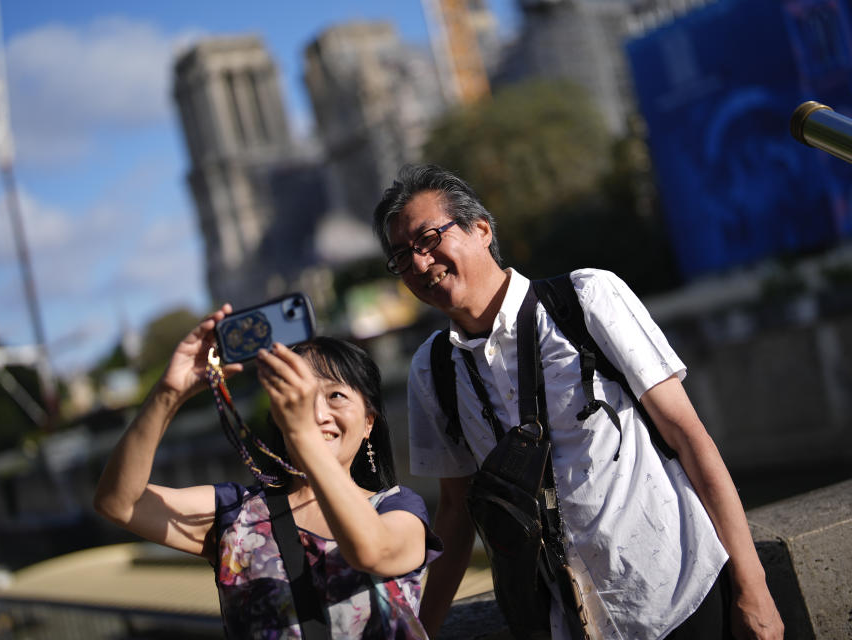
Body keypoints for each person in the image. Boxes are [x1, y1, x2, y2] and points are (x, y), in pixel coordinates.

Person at [372, 164, 784, 640]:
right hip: (573, 624)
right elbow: (455, 511)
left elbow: (688, 437)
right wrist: (418, 630)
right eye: (402, 256)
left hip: (681, 596)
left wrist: (753, 586)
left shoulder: (586, 298)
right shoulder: (433, 369)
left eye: (429, 239)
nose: (421, 264)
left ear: (481, 230)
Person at [94, 306, 441, 639]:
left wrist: (303, 435)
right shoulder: (236, 514)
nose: (318, 413)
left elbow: (372, 551)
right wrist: (168, 394)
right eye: (301, 396)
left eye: (335, 395)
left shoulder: (399, 509)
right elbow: (118, 503)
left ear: (369, 423)